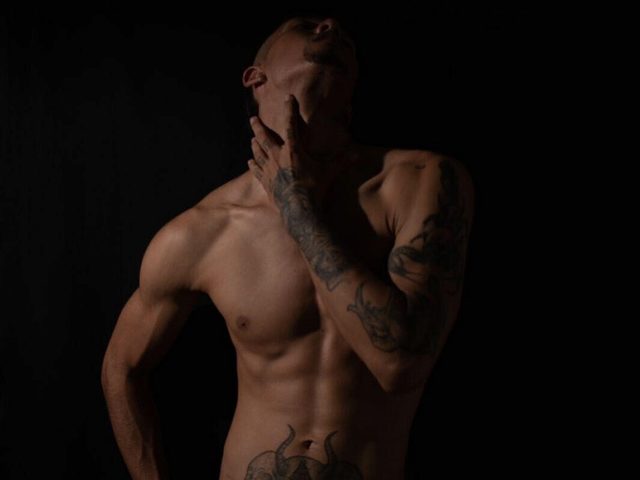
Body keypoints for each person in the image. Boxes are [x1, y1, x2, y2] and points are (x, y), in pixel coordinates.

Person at [101, 15, 475, 480]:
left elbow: (400, 363)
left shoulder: (421, 182)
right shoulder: (202, 232)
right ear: (255, 77)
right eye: (304, 25)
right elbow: (121, 367)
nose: (330, 24)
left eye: (342, 35)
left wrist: (298, 211)